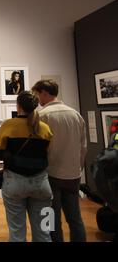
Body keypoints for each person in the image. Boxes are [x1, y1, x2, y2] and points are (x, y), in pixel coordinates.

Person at [0, 91, 53, 242]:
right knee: (44, 233)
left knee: (16, 233)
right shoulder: (45, 128)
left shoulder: (8, 125)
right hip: (42, 185)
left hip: (14, 183)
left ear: (18, 106)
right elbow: (48, 154)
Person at [32, 80, 88, 242]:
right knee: (75, 218)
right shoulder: (75, 114)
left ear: (44, 93)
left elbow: (37, 147)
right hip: (72, 175)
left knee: (49, 219)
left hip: (51, 173)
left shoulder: (42, 116)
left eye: (38, 94)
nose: (38, 99)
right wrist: (77, 168)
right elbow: (83, 147)